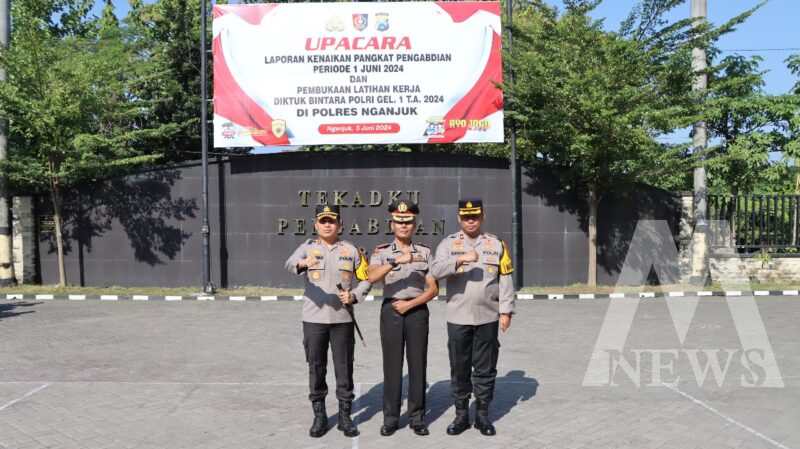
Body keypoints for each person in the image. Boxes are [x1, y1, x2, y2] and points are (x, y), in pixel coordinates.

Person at [285, 204, 370, 438]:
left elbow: (367, 277)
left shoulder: (350, 250)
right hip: (314, 320)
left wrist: (354, 295)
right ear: (316, 224)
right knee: (316, 367)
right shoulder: (307, 247)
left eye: (331, 221)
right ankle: (320, 416)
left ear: (340, 224)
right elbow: (290, 263)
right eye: (323, 221)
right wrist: (302, 264)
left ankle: (345, 416)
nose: (327, 224)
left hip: (342, 320)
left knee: (344, 368)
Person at [431, 198, 514, 436]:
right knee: (460, 368)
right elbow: (435, 271)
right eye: (466, 217)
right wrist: (459, 260)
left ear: (482, 217)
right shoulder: (448, 244)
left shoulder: (496, 244)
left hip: (488, 317)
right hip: (458, 318)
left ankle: (483, 416)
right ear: (459, 218)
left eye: (474, 216)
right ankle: (461, 416)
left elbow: (506, 279)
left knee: (486, 369)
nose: (470, 220)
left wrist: (506, 310)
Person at [367, 200, 438, 437]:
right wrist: (396, 261)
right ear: (392, 223)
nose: (404, 225)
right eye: (399, 221)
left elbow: (433, 289)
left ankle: (417, 418)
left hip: (416, 310)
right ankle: (391, 418)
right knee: (392, 365)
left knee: (418, 366)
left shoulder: (425, 252)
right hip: (391, 312)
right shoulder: (381, 251)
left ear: (414, 225)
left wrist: (410, 304)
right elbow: (372, 277)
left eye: (408, 222)